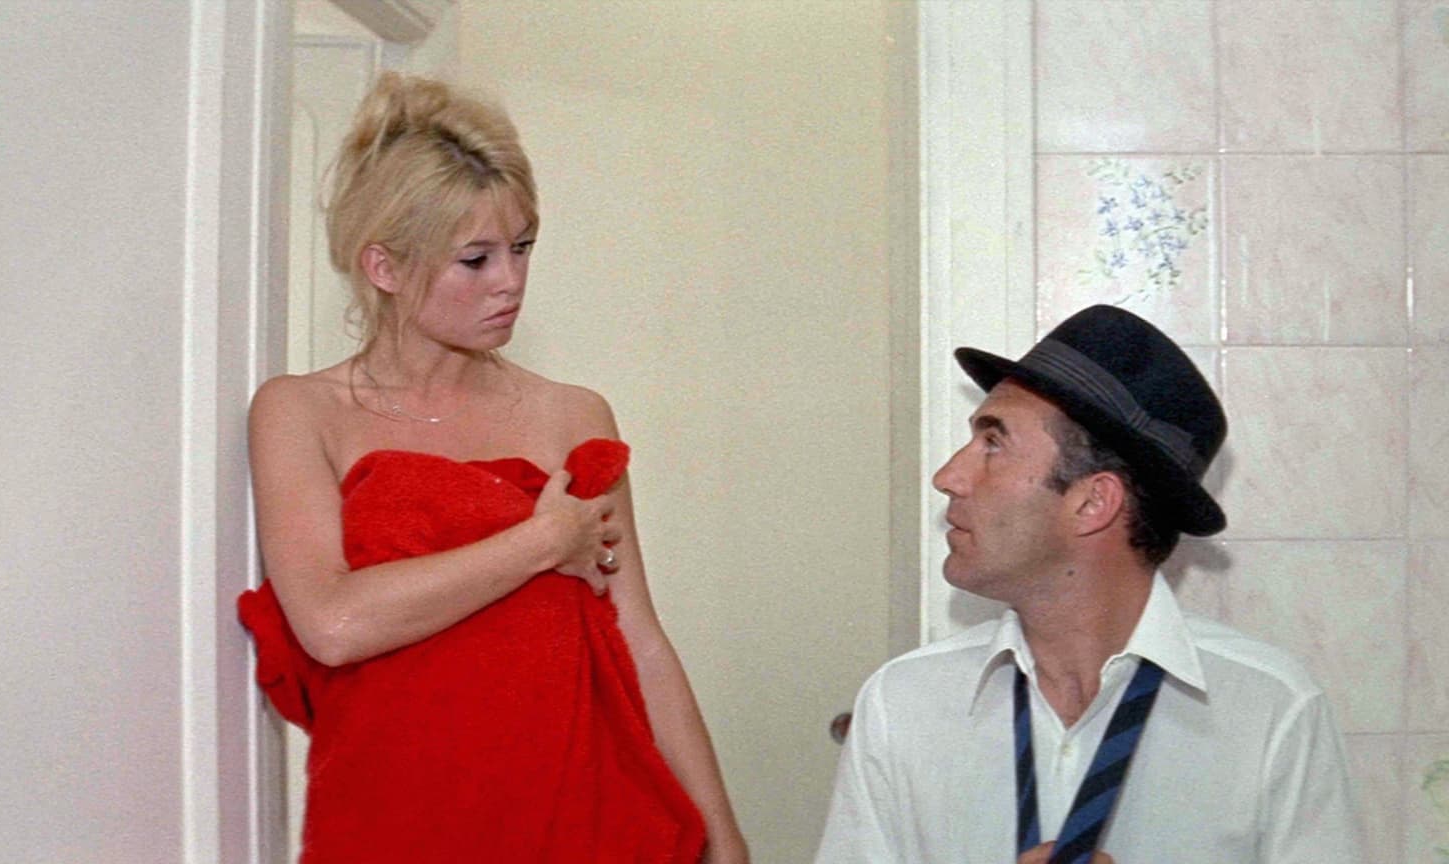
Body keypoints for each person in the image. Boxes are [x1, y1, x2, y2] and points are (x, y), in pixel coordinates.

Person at [238, 72, 748, 863]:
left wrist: (724, 838)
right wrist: (541, 543)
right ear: (383, 267)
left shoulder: (572, 414)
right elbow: (333, 624)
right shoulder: (300, 411)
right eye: (474, 259)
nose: (510, 281)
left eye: (522, 248)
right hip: (389, 825)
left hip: (582, 822)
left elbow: (639, 638)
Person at [815, 305, 1362, 863]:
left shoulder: (1270, 709)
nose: (948, 477)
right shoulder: (903, 703)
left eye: (993, 443)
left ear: (1093, 502)